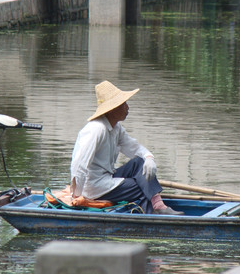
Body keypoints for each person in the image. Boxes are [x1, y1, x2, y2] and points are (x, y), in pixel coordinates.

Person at [70, 80, 184, 215]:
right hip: (94, 188)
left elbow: (134, 148)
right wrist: (77, 196)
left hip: (107, 178)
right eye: (123, 104)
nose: (127, 107)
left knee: (139, 162)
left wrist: (149, 157)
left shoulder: (116, 128)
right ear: (112, 109)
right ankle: (156, 210)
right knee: (141, 187)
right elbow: (79, 165)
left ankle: (158, 206)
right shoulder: (96, 129)